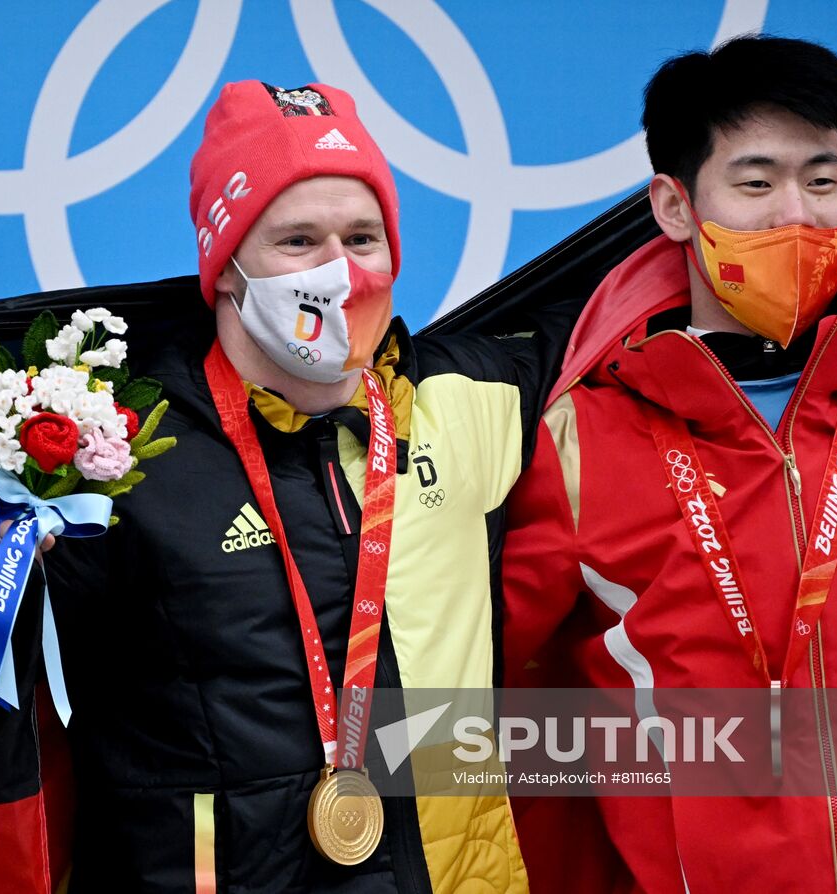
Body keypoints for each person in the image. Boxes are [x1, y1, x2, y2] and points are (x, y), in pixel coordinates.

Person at [41, 80, 582, 891]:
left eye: (363, 238)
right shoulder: (117, 450)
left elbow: (638, 315)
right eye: (298, 242)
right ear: (225, 268)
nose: (341, 275)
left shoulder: (480, 396)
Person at [503, 36, 837, 891]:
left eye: (824, 179)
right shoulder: (581, 442)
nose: (795, 214)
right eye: (757, 183)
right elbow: (481, 700)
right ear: (675, 207)